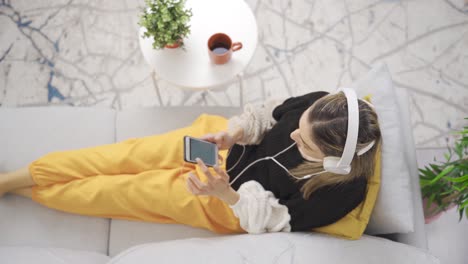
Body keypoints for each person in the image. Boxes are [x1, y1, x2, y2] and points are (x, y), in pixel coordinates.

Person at [0, 89, 381, 234]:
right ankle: (11, 180)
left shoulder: (338, 192)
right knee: (124, 155)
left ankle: (33, 191)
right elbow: (269, 116)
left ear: (333, 162)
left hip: (226, 203)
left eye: (307, 146)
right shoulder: (321, 109)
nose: (295, 137)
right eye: (300, 127)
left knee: (121, 191)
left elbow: (275, 220)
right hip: (220, 145)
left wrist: (226, 195)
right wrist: (234, 132)